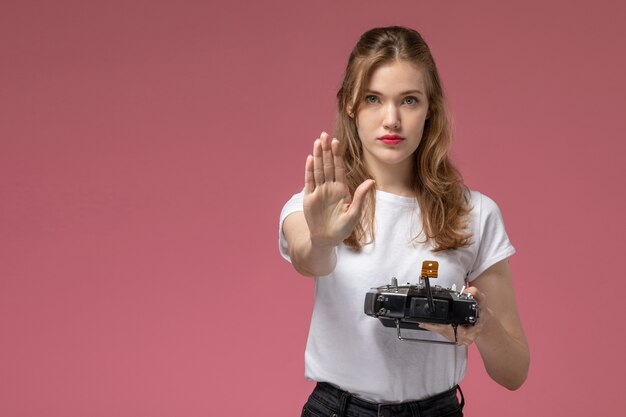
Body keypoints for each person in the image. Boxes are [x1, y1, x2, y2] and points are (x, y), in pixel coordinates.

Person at [278, 26, 529, 417]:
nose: (391, 119)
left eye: (409, 100)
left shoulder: (476, 213)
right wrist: (324, 238)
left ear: (430, 109)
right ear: (349, 105)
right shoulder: (317, 205)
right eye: (373, 99)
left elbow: (514, 372)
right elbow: (307, 259)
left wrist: (481, 326)